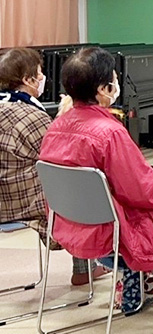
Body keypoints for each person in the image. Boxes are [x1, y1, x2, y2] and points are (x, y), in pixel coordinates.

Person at [38, 47, 153, 314]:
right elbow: (141, 192)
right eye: (114, 80)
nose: (116, 85)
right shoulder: (109, 133)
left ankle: (137, 284)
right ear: (103, 89)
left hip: (70, 225)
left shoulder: (55, 127)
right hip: (112, 233)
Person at [0, 48, 107, 287]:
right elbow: (59, 157)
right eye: (38, 74)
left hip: (5, 194)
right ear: (28, 80)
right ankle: (86, 267)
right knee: (84, 185)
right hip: (23, 199)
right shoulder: (30, 116)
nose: (42, 78)